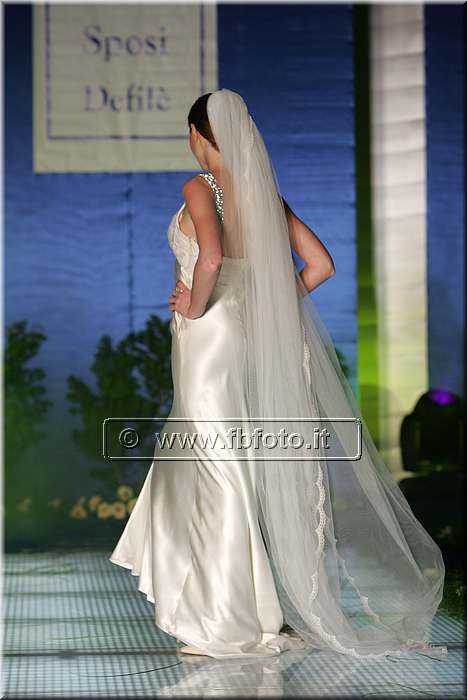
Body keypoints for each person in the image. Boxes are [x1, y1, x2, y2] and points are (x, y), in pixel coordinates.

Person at [109, 89, 446, 661]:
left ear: (198, 135)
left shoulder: (200, 188)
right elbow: (321, 265)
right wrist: (263, 311)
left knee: (216, 464)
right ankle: (245, 611)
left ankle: (225, 619)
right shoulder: (265, 196)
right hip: (243, 336)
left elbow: (210, 258)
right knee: (223, 461)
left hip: (209, 339)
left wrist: (195, 304)